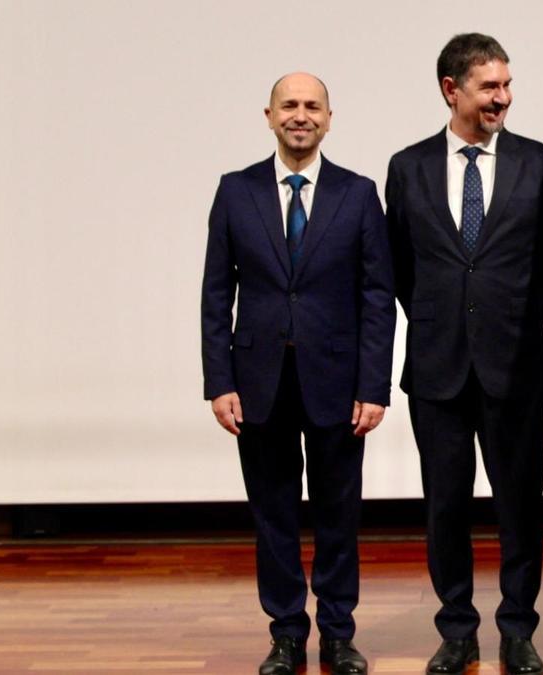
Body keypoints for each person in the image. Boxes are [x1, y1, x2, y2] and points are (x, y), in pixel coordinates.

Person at [384, 33, 543, 675]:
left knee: (521, 506)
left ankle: (518, 627)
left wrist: (514, 324)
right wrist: (443, 324)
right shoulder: (406, 168)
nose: (503, 98)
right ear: (450, 89)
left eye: (507, 85)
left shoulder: (541, 164)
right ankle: (456, 628)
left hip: (516, 364)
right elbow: (401, 268)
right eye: (490, 86)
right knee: (445, 507)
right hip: (437, 369)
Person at [201, 72, 394, 675]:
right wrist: (219, 380)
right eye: (290, 105)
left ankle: (338, 633)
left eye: (313, 106)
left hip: (338, 381)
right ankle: (285, 633)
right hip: (258, 381)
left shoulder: (358, 193)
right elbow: (215, 293)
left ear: (330, 118)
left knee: (339, 514)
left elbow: (376, 297)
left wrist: (373, 386)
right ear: (269, 115)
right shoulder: (235, 191)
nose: (301, 115)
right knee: (273, 515)